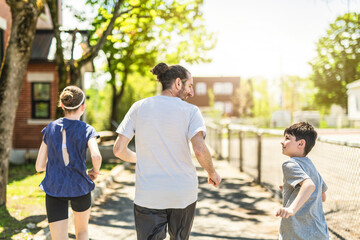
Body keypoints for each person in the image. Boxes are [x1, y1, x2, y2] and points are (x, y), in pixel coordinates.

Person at [113, 62, 221, 240]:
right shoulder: (191, 111)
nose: (192, 92)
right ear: (178, 83)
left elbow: (118, 149)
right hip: (182, 194)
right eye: (190, 85)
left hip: (148, 194)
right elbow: (199, 149)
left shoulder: (139, 107)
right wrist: (212, 172)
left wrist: (140, 159)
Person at [35, 86, 102, 240]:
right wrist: (95, 171)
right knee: (82, 232)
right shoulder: (87, 130)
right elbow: (96, 156)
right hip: (80, 187)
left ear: (63, 105)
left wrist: (55, 165)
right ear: (83, 107)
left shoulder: (49, 128)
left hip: (54, 189)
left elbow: (39, 166)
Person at [275, 122, 329, 239]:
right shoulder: (310, 165)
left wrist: (291, 209)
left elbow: (309, 186)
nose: (282, 142)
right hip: (319, 233)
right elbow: (322, 196)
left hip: (297, 234)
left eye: (287, 138)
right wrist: (292, 191)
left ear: (301, 143)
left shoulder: (289, 164)